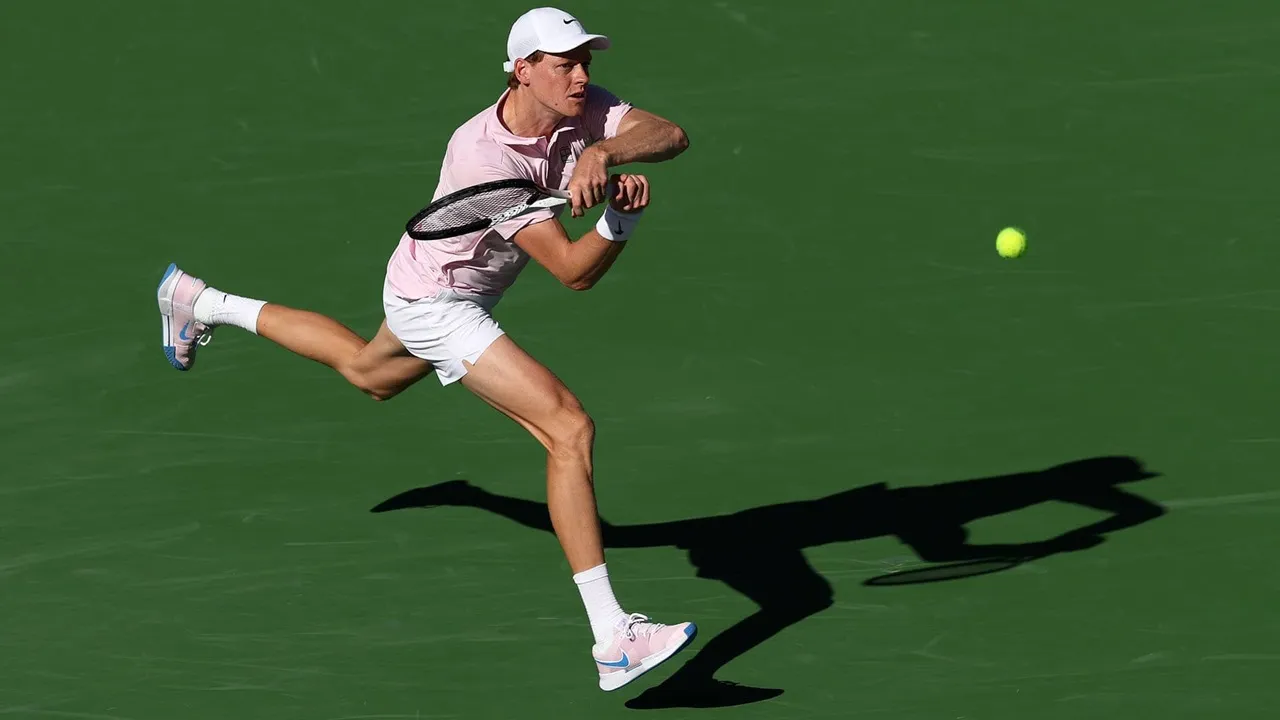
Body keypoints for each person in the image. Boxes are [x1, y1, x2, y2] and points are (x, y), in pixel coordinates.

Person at [154, 6, 695, 692]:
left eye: (586, 61)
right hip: (437, 302)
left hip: (427, 284)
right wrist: (619, 221)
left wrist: (604, 150)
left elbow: (669, 134)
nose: (582, 76)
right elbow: (572, 272)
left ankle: (197, 301)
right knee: (567, 429)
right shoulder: (485, 160)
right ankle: (613, 637)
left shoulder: (581, 108)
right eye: (565, 64)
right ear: (522, 71)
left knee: (365, 372)